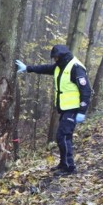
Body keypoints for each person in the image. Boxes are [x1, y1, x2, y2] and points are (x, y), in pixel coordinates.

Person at [16, 44, 92, 176]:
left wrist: (82, 111)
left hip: (73, 109)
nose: (55, 60)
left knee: (63, 136)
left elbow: (86, 90)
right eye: (54, 58)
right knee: (61, 137)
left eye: (56, 57)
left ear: (62, 56)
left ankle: (69, 167)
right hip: (65, 108)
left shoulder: (76, 68)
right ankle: (64, 164)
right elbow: (45, 68)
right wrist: (28, 68)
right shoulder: (60, 66)